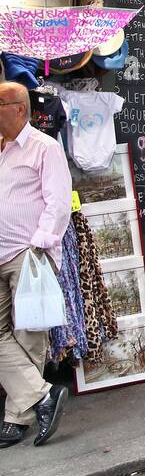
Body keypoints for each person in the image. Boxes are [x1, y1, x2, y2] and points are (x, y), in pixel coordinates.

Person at [0, 81, 72, 447]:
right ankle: (43, 395)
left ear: (20, 108)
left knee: (28, 335)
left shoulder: (44, 147)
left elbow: (59, 203)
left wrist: (39, 246)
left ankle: (17, 418)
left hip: (26, 254)